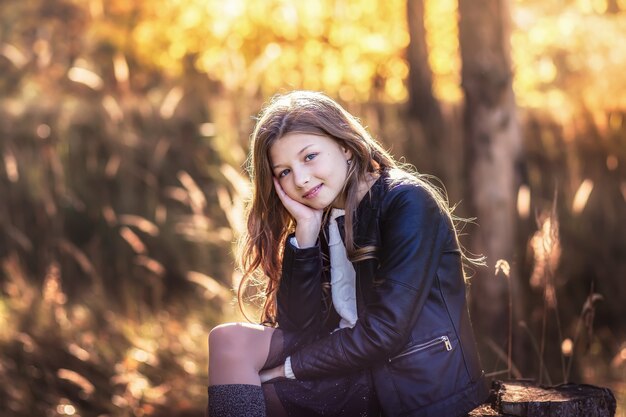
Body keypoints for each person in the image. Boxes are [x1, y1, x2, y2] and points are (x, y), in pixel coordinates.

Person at [207, 90, 489, 417]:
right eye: (284, 171)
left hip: (402, 380)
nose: (300, 179)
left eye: (309, 156)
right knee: (226, 340)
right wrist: (307, 233)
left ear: (344, 145)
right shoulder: (324, 212)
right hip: (350, 360)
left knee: (265, 394)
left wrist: (287, 369)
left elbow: (383, 333)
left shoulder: (406, 202)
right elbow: (299, 325)